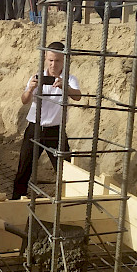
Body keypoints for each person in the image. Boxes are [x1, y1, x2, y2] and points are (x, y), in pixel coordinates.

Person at [11, 42, 81, 200]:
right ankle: (16, 199)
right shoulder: (37, 77)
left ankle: (68, 201)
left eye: (57, 61)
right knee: (24, 167)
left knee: (65, 169)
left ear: (64, 60)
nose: (53, 64)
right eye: (50, 60)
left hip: (55, 131)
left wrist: (65, 87)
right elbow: (24, 100)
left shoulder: (69, 79)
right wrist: (30, 88)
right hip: (34, 128)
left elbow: (78, 96)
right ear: (45, 58)